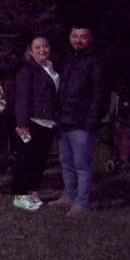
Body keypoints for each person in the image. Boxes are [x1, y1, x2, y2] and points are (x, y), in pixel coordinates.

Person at [50, 25, 107, 217]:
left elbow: (99, 93)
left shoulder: (96, 61)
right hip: (64, 120)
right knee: (66, 162)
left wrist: (92, 120)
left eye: (82, 37)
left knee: (82, 164)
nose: (78, 40)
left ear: (90, 39)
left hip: (82, 122)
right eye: (74, 36)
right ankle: (69, 195)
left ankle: (82, 203)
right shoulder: (69, 59)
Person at [12, 34, 59, 211]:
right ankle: (20, 194)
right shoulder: (28, 70)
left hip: (48, 122)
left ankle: (32, 191)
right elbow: (22, 98)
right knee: (25, 159)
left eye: (45, 46)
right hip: (31, 122)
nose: (42, 50)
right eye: (37, 47)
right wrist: (22, 123)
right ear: (30, 51)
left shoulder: (51, 68)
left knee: (39, 160)